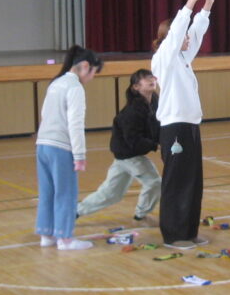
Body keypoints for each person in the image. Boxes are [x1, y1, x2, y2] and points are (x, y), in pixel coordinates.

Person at [151, 0, 214, 250]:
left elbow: (195, 35)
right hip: (174, 128)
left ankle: (188, 231)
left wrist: (207, 6)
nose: (188, 39)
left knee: (192, 182)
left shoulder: (182, 60)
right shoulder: (164, 58)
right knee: (176, 182)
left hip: (189, 127)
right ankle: (173, 235)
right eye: (182, 37)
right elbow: (178, 31)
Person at [36, 45, 103, 250]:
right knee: (66, 193)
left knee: (47, 191)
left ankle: (47, 235)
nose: (92, 77)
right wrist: (80, 155)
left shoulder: (56, 83)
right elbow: (75, 123)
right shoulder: (74, 87)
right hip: (60, 147)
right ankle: (65, 238)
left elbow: (44, 114)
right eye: (93, 72)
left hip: (42, 145)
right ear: (85, 66)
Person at [77, 69, 161, 222]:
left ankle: (76, 211)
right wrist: (155, 145)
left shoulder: (154, 102)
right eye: (145, 78)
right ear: (136, 87)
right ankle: (141, 215)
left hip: (125, 156)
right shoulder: (133, 111)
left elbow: (157, 125)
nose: (151, 79)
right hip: (129, 155)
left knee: (111, 193)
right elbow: (133, 140)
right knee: (154, 182)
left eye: (151, 77)